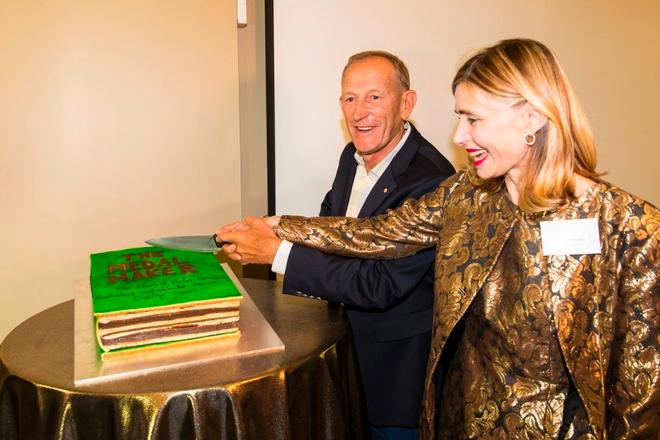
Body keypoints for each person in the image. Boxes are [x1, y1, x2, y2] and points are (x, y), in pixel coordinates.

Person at [219, 39, 659, 439]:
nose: (458, 136)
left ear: (532, 116)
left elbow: (640, 392)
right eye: (458, 118)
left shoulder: (631, 227)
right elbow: (380, 232)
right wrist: (279, 225)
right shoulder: (466, 195)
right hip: (457, 421)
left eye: (474, 119)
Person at [224, 51, 454, 439]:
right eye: (350, 98)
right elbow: (334, 225)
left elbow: (379, 284)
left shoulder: (432, 182)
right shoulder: (354, 153)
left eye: (374, 97)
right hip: (344, 358)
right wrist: (275, 230)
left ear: (407, 103)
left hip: (394, 379)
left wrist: (276, 253)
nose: (359, 112)